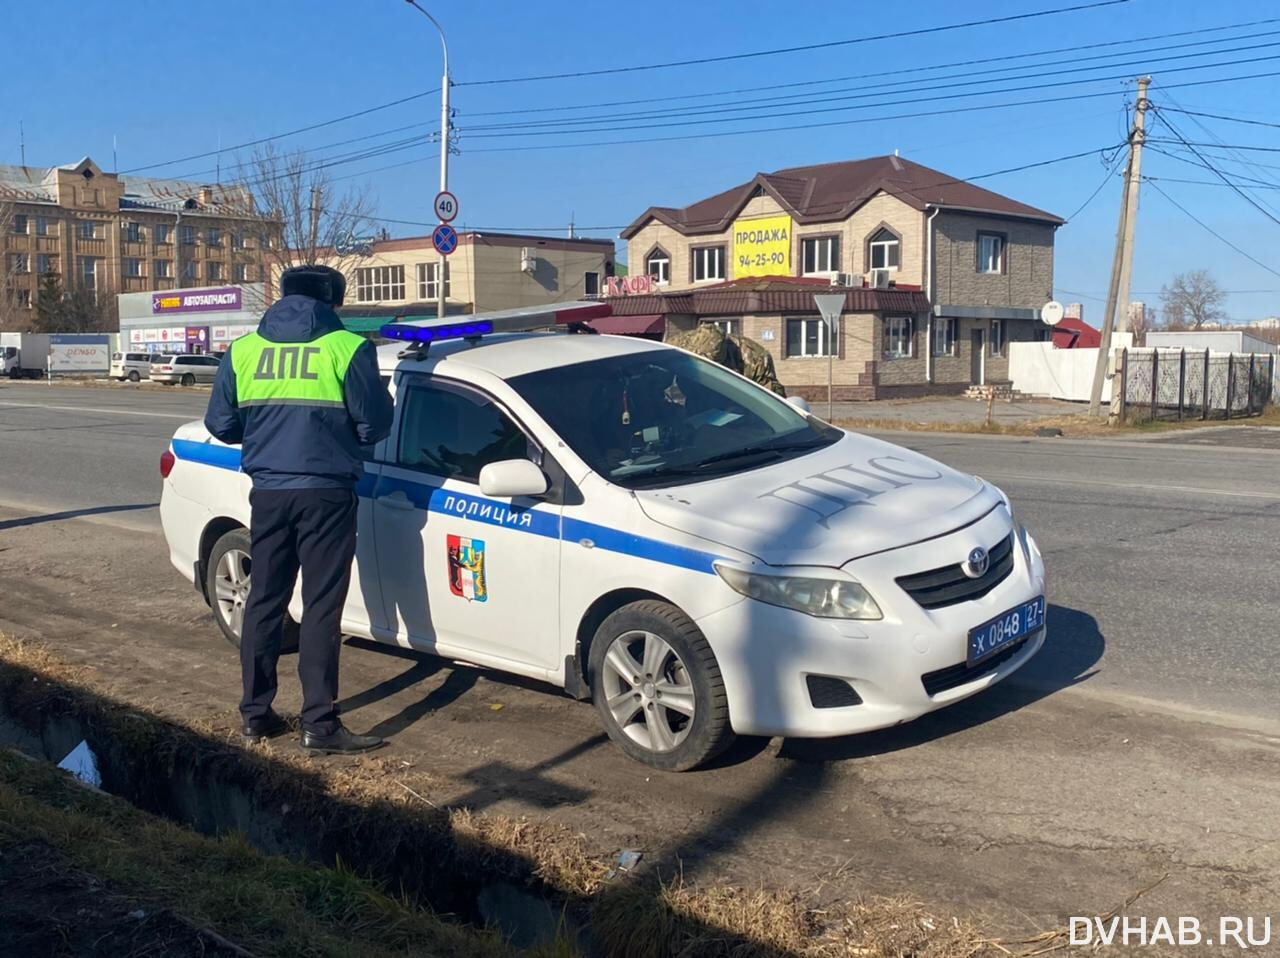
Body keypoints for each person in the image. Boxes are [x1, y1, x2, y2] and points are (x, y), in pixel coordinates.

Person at [204, 265, 394, 754]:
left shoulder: (245, 350)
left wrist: (270, 436)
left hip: (268, 492)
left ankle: (255, 715)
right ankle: (319, 724)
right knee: (320, 607)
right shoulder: (347, 348)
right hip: (327, 492)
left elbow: (221, 425)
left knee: (264, 600)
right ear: (333, 301)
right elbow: (374, 427)